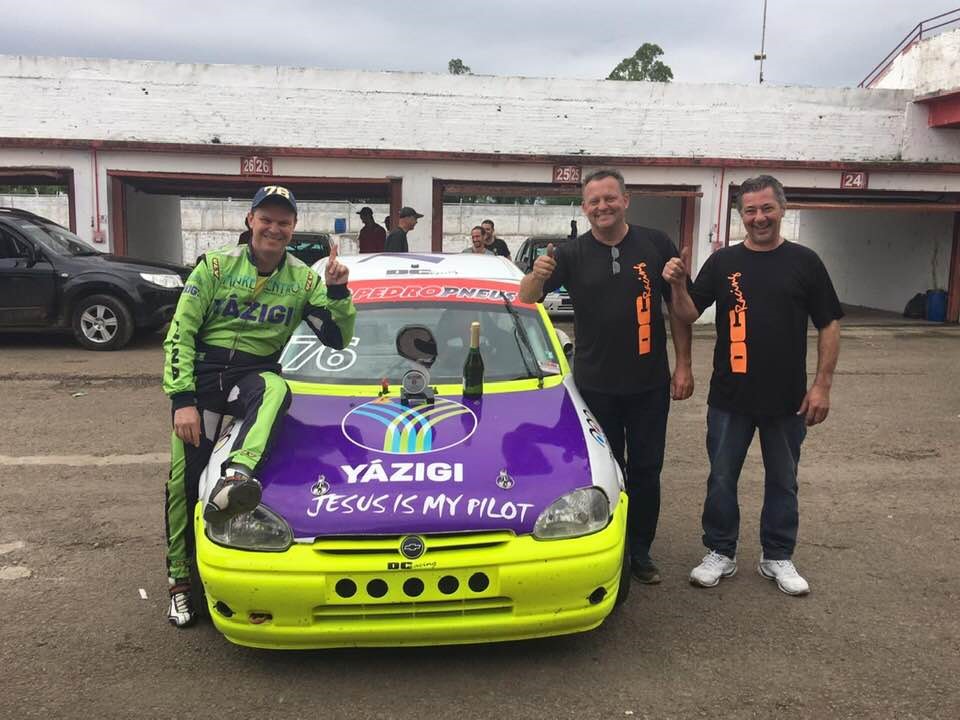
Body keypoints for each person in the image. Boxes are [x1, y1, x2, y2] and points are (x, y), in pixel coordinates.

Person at [162, 185, 357, 628]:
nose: (274, 228)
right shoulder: (214, 266)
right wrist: (182, 401)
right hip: (202, 379)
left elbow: (336, 338)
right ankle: (179, 583)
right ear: (250, 220)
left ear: (293, 228)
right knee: (180, 485)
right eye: (266, 218)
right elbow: (180, 332)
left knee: (274, 386)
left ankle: (235, 477)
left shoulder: (304, 278)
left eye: (284, 222)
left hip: (251, 377)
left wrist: (339, 294)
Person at [665, 174, 842, 596]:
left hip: (788, 400)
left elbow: (829, 323)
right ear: (740, 215)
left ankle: (777, 555)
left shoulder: (805, 262)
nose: (759, 217)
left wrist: (822, 385)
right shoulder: (724, 263)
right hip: (730, 398)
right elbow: (688, 314)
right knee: (722, 478)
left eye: (766, 208)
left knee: (784, 479)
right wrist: (676, 285)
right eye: (750, 210)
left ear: (782, 209)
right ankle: (720, 552)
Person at [519, 168, 694, 585]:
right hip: (595, 386)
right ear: (585, 207)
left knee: (647, 471)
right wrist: (539, 273)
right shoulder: (570, 254)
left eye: (610, 198)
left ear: (626, 200)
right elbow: (526, 300)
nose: (603, 207)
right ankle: (612, 551)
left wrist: (683, 363)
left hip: (650, 383)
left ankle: (641, 551)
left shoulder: (656, 244)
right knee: (606, 472)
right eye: (594, 201)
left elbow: (685, 315)